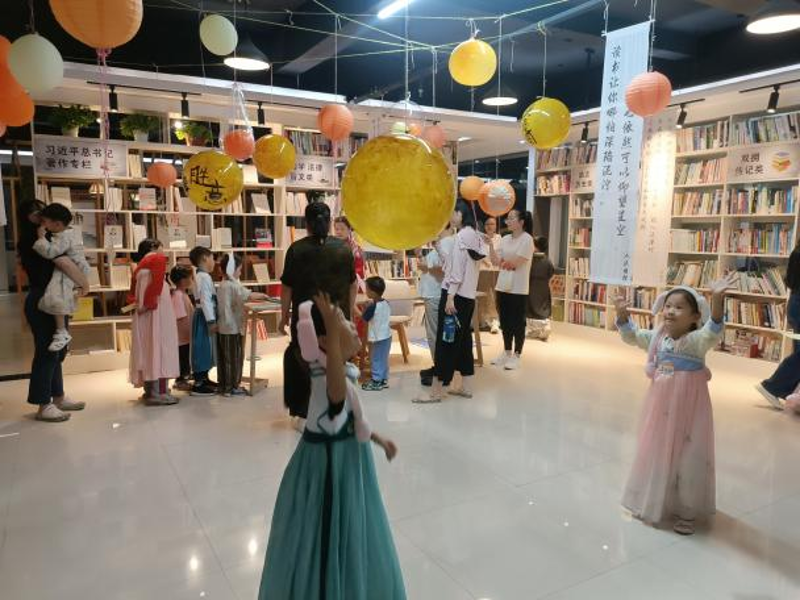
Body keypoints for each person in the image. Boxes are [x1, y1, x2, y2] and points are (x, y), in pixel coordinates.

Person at [258, 293, 406, 599]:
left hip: (345, 458)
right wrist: (330, 332)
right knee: (326, 529)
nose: (354, 327)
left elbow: (349, 418)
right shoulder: (324, 374)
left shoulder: (340, 371)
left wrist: (378, 440)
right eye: (344, 325)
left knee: (349, 526)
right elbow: (337, 398)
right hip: (327, 465)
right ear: (324, 341)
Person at [613, 273, 737, 535]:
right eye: (668, 305)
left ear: (695, 317)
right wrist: (622, 314)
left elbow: (714, 329)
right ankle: (656, 500)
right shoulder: (657, 338)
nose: (670, 311)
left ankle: (687, 510)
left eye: (679, 307)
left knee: (688, 457)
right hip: (660, 408)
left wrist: (717, 299)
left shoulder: (697, 341)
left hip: (690, 410)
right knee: (658, 451)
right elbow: (633, 336)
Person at [280, 202, 357, 429]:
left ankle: (305, 415)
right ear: (330, 220)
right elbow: (352, 285)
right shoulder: (343, 249)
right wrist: (349, 313)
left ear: (307, 223)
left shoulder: (296, 250)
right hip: (336, 318)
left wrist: (283, 316)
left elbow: (287, 288)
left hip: (307, 319)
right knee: (336, 362)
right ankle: (336, 411)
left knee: (305, 363)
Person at [17, 200, 88, 422]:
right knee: (47, 352)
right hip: (43, 299)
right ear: (28, 217)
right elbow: (64, 263)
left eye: (42, 210)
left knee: (57, 351)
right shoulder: (33, 239)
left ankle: (57, 396)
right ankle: (43, 403)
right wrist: (84, 283)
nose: (41, 215)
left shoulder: (51, 235)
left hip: (55, 298)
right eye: (36, 212)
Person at [414, 202, 487, 403]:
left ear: (460, 214)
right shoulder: (474, 236)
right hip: (467, 297)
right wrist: (438, 245)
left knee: (445, 343)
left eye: (452, 213)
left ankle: (437, 391)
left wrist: (450, 297)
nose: (450, 217)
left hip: (455, 297)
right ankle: (466, 387)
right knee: (463, 343)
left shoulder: (461, 236)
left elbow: (455, 272)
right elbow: (452, 264)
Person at [128, 238, 180, 405]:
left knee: (149, 349)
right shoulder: (156, 260)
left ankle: (150, 390)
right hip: (157, 312)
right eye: (161, 247)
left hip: (146, 314)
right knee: (162, 348)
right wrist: (149, 304)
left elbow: (133, 293)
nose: (163, 252)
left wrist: (142, 305)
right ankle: (160, 392)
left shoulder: (140, 267)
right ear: (153, 247)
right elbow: (156, 287)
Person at [32, 203, 91, 352]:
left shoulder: (65, 237)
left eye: (45, 222)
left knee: (56, 297)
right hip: (73, 270)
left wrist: (41, 238)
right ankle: (62, 332)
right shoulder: (67, 234)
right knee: (61, 298)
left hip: (71, 270)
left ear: (57, 224)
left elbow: (51, 252)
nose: (43, 225)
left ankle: (62, 332)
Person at [216, 253, 270, 396]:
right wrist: (264, 295)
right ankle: (232, 387)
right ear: (231, 270)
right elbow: (248, 295)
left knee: (224, 359)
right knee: (234, 359)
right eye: (239, 270)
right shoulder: (232, 285)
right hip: (232, 328)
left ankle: (224, 385)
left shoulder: (223, 284)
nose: (240, 273)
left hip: (224, 327)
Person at [756, 239, 800, 410]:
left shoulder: (796, 251)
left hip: (795, 302)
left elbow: (790, 281)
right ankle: (772, 387)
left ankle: (784, 391)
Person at [489, 209, 535, 370]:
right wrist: (490, 245)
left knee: (517, 323)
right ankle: (506, 351)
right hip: (502, 286)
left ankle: (517, 354)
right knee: (505, 321)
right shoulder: (505, 239)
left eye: (511, 218)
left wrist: (504, 262)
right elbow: (495, 261)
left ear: (521, 222)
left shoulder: (527, 239)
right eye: (507, 219)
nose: (507, 221)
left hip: (518, 288)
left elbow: (514, 264)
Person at [415, 229, 447, 386]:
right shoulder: (439, 246)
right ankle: (439, 367)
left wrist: (426, 265)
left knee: (435, 334)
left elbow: (443, 269)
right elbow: (425, 267)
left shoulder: (445, 245)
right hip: (432, 294)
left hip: (436, 295)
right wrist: (420, 255)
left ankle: (441, 370)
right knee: (434, 333)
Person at [189, 246, 218, 396]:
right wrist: (211, 320)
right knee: (203, 348)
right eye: (213, 258)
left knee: (205, 348)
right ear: (205, 258)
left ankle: (204, 378)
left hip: (202, 315)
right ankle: (199, 383)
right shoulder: (204, 277)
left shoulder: (200, 276)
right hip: (204, 316)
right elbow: (206, 300)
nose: (214, 262)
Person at [361, 276, 392, 392]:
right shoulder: (386, 303)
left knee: (375, 359)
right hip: (387, 336)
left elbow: (364, 319)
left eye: (367, 289)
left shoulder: (372, 307)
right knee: (383, 358)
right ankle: (383, 379)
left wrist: (364, 308)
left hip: (378, 338)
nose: (366, 291)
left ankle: (376, 381)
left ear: (373, 292)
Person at [170, 265, 195, 392]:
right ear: (183, 280)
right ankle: (180, 381)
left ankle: (184, 377)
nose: (192, 280)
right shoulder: (178, 295)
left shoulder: (182, 294)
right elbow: (179, 317)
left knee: (185, 357)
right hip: (181, 336)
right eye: (190, 277)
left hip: (185, 335)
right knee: (182, 358)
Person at [526, 236, 556, 342]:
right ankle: (541, 328)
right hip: (544, 288)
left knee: (531, 309)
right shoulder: (547, 260)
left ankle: (540, 328)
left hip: (531, 287)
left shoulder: (530, 260)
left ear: (536, 247)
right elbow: (551, 274)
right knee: (543, 309)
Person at [477, 216, 502, 334]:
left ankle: (494, 321)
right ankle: (483, 321)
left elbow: (500, 255)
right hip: (482, 271)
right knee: (483, 297)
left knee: (493, 296)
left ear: (496, 226)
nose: (489, 226)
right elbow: (477, 254)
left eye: (492, 224)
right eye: (487, 224)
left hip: (495, 271)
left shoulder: (499, 238)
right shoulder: (480, 238)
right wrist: (484, 260)